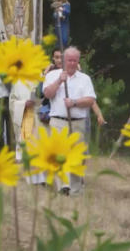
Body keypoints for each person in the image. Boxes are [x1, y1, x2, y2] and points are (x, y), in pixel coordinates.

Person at [42, 47, 96, 194]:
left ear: (78, 61)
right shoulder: (53, 75)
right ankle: (62, 187)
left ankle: (76, 189)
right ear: (63, 61)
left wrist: (74, 102)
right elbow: (47, 94)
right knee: (59, 154)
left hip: (77, 122)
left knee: (76, 156)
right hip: (58, 121)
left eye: (74, 60)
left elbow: (90, 100)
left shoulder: (85, 79)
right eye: (69, 60)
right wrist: (60, 81)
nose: (71, 63)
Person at [9, 80, 46, 184]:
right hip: (25, 117)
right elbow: (12, 101)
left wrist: (39, 100)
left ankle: (42, 177)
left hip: (40, 117)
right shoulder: (17, 82)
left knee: (41, 146)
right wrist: (24, 103)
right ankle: (31, 177)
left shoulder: (40, 79)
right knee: (28, 147)